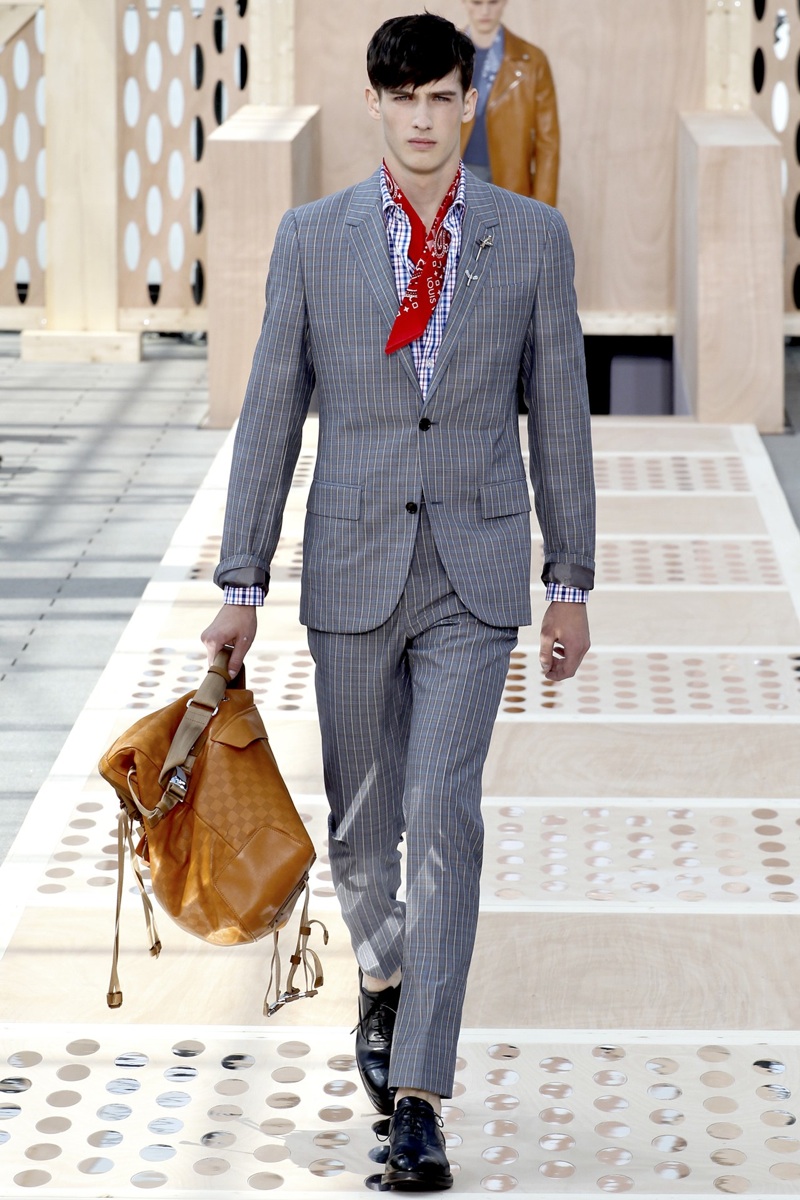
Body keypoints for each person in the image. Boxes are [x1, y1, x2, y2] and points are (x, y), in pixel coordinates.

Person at [202, 12, 594, 1190]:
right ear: (375, 106)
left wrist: (566, 577)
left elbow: (560, 417)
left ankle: (418, 1096)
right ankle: (381, 975)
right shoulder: (313, 239)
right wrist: (240, 581)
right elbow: (271, 412)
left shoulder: (528, 241)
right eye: (402, 100)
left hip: (473, 574)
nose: (423, 120)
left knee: (443, 812)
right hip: (353, 569)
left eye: (441, 98)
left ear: (469, 101)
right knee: (365, 832)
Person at [461, 0, 560, 204]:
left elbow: (548, 143)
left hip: (509, 180)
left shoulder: (532, 61)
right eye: (476, 2)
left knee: (504, 234)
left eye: (493, 2)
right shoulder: (442, 55)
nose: (485, 11)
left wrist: (543, 212)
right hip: (452, 175)